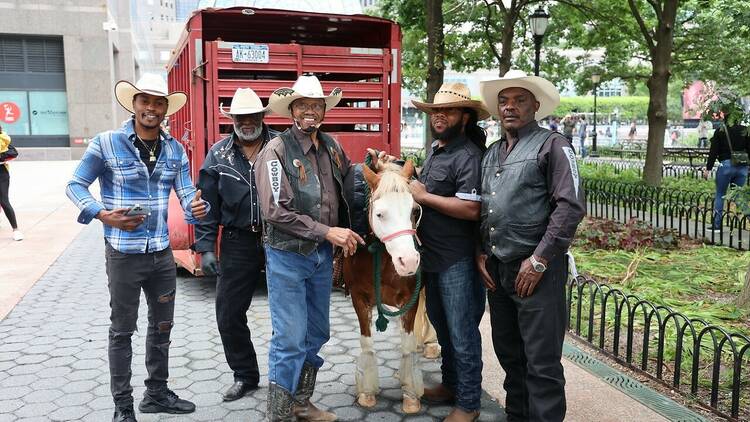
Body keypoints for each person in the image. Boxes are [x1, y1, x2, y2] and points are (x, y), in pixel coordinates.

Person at [66, 74, 208, 422]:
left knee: (163, 326)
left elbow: (186, 193)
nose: (152, 108)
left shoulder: (174, 149)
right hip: (123, 254)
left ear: (165, 109)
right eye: (145, 100)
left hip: (161, 255)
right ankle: (123, 406)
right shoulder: (107, 143)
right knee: (122, 330)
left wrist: (196, 207)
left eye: (159, 102)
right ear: (134, 104)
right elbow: (75, 185)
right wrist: (101, 214)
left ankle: (156, 394)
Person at [257, 74, 376, 421]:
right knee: (290, 338)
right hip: (286, 257)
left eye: (316, 105)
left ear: (324, 110)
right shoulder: (275, 150)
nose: (311, 111)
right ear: (292, 110)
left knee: (317, 331)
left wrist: (378, 169)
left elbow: (352, 185)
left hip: (321, 257)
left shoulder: (332, 147)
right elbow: (275, 211)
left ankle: (300, 403)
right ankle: (278, 415)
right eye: (304, 105)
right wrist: (327, 232)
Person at [476, 70, 586, 422]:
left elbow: (570, 207)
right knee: (511, 358)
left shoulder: (554, 145)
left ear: (535, 106)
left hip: (537, 271)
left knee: (541, 364)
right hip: (499, 269)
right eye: (504, 101)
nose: (510, 107)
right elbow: (486, 206)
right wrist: (481, 251)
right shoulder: (492, 153)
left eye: (519, 100)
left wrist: (539, 260)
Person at [408, 82, 488, 422]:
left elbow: (471, 209)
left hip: (457, 260)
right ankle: (451, 386)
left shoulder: (468, 155)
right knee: (442, 328)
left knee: (462, 333)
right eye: (436, 111)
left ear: (465, 117)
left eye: (448, 111)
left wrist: (424, 197)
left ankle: (468, 404)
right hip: (433, 257)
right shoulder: (438, 149)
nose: (440, 116)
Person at [193, 88, 279, 402]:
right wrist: (204, 249)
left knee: (285, 313)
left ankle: (284, 378)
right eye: (241, 117)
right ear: (233, 119)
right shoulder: (218, 154)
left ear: (262, 116)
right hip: (237, 241)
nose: (247, 122)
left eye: (253, 116)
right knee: (228, 314)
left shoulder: (282, 146)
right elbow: (206, 204)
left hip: (279, 239)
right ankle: (245, 376)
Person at [705, 118, 750, 231]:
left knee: (720, 194)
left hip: (726, 166)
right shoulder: (745, 130)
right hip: (742, 166)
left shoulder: (721, 130)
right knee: (738, 195)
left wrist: (708, 168)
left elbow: (714, 151)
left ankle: (717, 226)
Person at [0, 125, 22, 240]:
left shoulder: (2, 139)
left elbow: (13, 152)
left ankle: (16, 229)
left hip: (1, 173)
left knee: (4, 200)